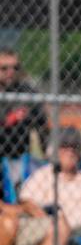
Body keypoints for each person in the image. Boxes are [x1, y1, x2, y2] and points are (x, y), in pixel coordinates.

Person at [0, 48, 49, 202]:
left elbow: (42, 125)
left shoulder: (26, 92)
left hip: (20, 156)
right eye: (4, 68)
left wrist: (47, 152)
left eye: (15, 68)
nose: (10, 72)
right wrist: (8, 121)